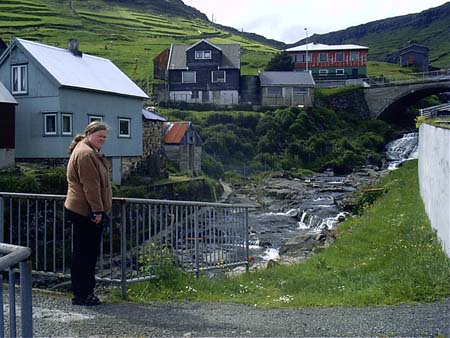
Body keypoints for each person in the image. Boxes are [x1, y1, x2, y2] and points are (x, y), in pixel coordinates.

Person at [64, 121, 112, 306]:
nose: (103, 139)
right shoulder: (86, 154)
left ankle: (83, 293)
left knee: (83, 254)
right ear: (89, 134)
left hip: (82, 210)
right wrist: (97, 211)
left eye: (105, 136)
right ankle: (83, 294)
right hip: (85, 212)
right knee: (86, 255)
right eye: (100, 136)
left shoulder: (85, 151)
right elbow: (90, 186)